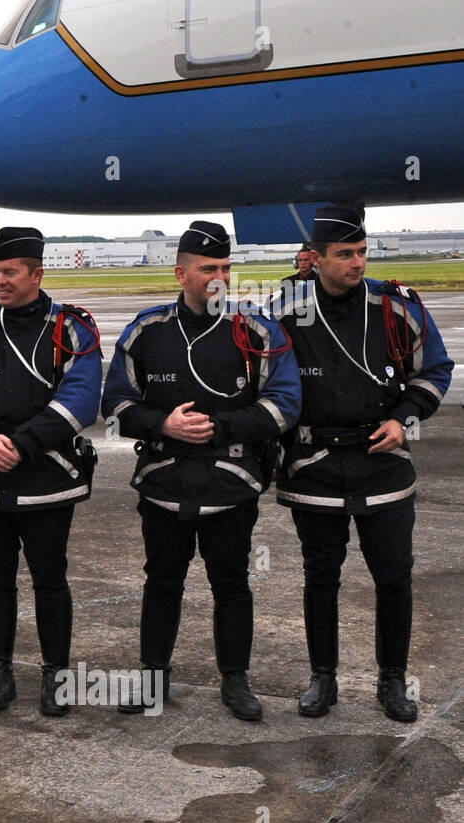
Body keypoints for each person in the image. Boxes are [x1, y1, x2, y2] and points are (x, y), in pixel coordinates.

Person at [102, 221, 301, 720]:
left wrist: (218, 428)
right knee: (161, 582)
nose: (220, 278)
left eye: (226, 268)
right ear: (181, 273)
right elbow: (114, 405)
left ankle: (235, 682)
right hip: (163, 483)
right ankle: (153, 678)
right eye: (208, 268)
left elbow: (285, 404)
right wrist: (163, 423)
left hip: (231, 485)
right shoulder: (147, 330)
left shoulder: (257, 330)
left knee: (231, 584)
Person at [273, 206, 454, 722]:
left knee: (395, 576)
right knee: (320, 576)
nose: (357, 263)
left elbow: (435, 369)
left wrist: (406, 420)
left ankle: (393, 681)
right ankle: (322, 680)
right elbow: (261, 372)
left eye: (362, 253)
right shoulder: (285, 308)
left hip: (385, 464)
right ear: (317, 259)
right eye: (345, 255)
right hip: (315, 466)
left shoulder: (397, 306)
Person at [0, 226, 102, 715]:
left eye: (10, 272)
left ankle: (56, 677)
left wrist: (23, 444)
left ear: (37, 273)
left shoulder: (72, 329)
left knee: (50, 579)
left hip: (47, 477)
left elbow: (81, 396)